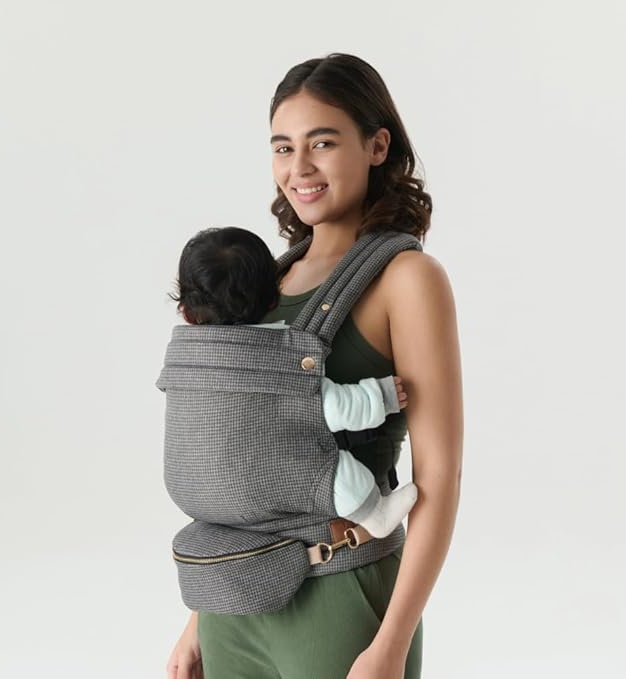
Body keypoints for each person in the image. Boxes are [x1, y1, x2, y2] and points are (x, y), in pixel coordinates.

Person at [166, 52, 463, 679]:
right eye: (283, 147)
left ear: (377, 146)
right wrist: (196, 620)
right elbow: (242, 460)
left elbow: (439, 477)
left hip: (341, 598)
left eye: (321, 143)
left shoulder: (407, 278)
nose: (298, 167)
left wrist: (390, 644)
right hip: (233, 603)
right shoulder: (265, 283)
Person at [170, 225, 419, 538]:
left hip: (193, 492)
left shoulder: (183, 363)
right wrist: (381, 397)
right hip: (265, 488)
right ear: (274, 299)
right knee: (333, 471)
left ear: (186, 313)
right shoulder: (280, 358)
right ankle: (375, 514)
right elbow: (333, 408)